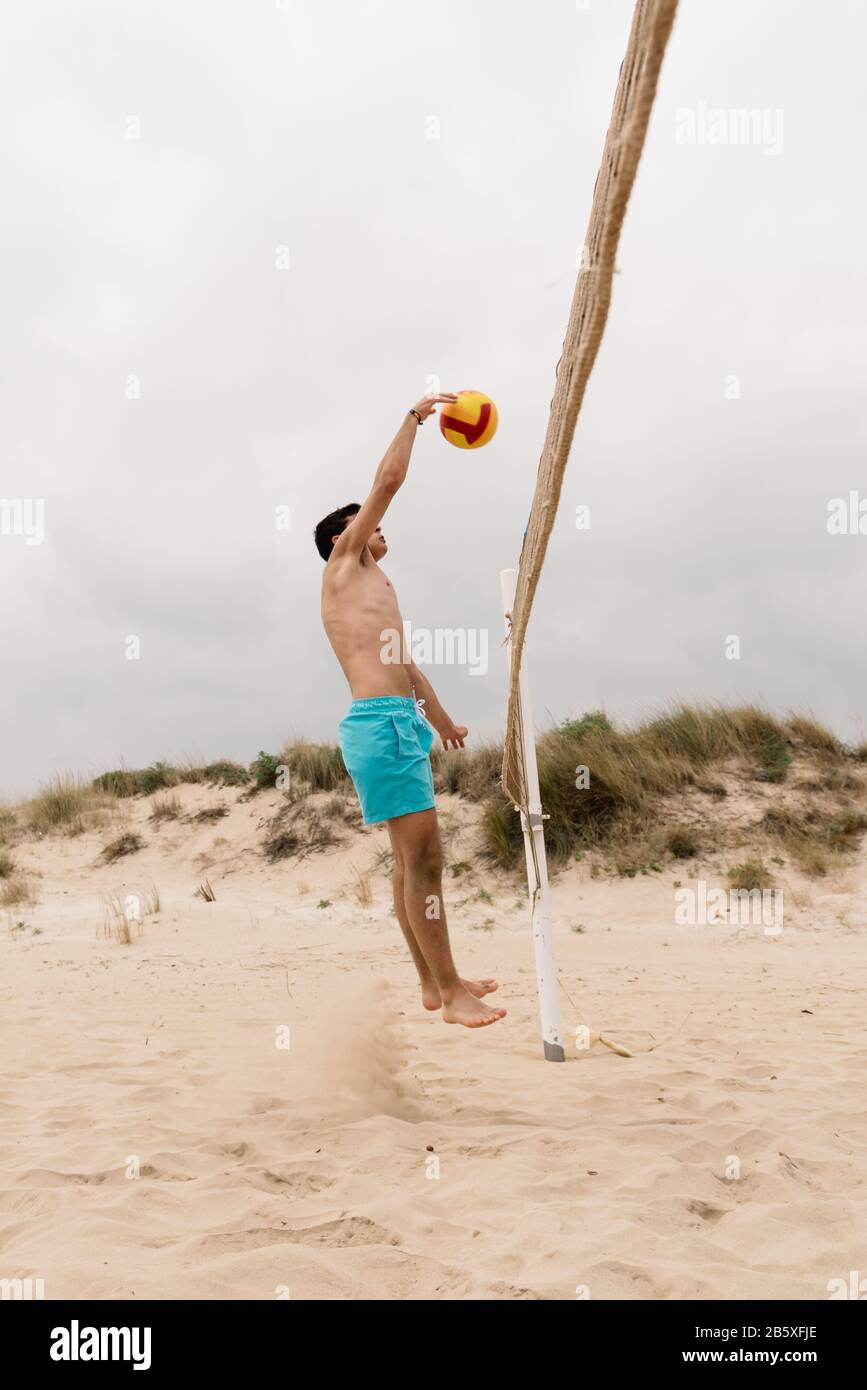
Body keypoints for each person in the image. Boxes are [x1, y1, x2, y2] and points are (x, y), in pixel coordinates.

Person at [314, 396, 506, 1029]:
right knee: (425, 864)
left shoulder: (377, 586)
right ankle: (452, 994)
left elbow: (409, 665)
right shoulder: (345, 565)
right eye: (363, 522)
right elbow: (388, 481)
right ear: (344, 536)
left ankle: (433, 982)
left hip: (398, 721)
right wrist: (413, 419)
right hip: (379, 724)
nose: (376, 527)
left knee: (408, 865)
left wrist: (443, 721)